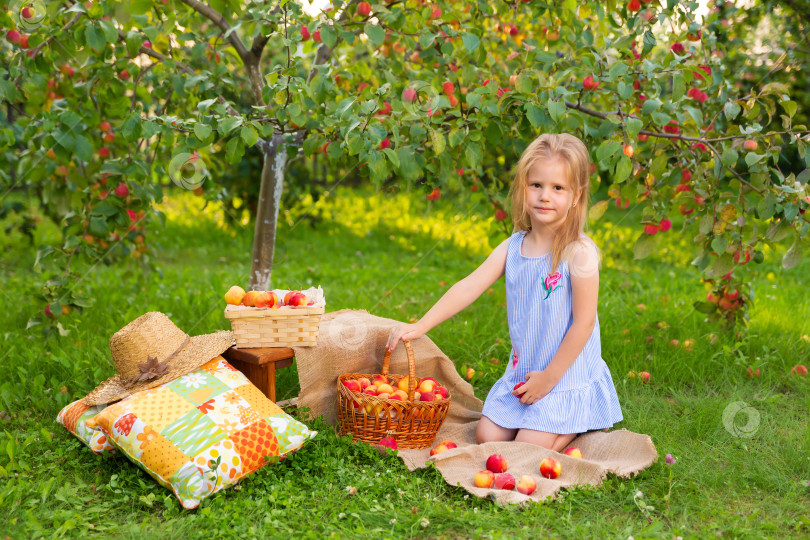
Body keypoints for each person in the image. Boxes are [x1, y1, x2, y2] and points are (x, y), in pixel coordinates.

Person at [386, 133, 622, 451]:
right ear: (523, 187)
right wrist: (419, 326)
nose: (545, 196)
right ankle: (545, 419)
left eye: (558, 188)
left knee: (526, 445)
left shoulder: (578, 252)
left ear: (576, 195)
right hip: (526, 368)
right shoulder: (514, 246)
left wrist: (550, 379)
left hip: (564, 372)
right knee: (488, 436)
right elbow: (469, 285)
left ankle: (581, 421)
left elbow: (584, 324)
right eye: (536, 185)